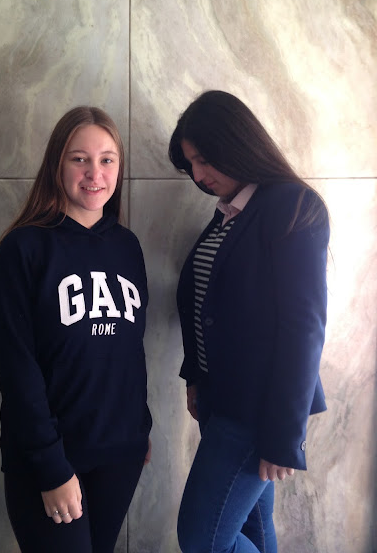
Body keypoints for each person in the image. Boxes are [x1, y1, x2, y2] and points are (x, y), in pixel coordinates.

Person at [0, 106, 152, 553]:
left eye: (107, 159)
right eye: (80, 159)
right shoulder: (24, 247)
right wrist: (51, 466)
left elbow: (129, 351)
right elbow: (14, 366)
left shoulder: (127, 246)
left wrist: (139, 428)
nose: (95, 173)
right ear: (57, 165)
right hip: (51, 458)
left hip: (120, 454)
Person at [168, 90, 329, 553]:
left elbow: (304, 326)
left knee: (200, 539)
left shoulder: (293, 205)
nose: (198, 176)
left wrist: (284, 436)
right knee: (254, 528)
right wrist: (195, 377)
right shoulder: (231, 212)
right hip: (220, 398)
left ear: (235, 142)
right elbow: (208, 305)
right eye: (191, 165)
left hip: (256, 410)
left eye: (203, 160)